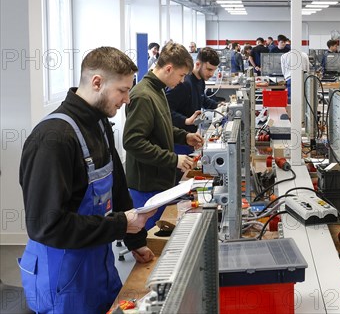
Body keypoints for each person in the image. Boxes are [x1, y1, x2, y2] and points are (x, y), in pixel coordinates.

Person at [19, 47, 156, 313]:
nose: (128, 99)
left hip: (98, 268)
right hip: (62, 280)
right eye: (123, 90)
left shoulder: (100, 124)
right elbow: (46, 226)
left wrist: (135, 240)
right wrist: (119, 225)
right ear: (97, 82)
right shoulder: (52, 139)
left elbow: (117, 187)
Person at [124, 42, 204, 230]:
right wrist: (173, 159)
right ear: (169, 69)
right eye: (181, 75)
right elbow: (133, 142)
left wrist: (185, 137)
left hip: (159, 180)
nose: (183, 81)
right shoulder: (143, 96)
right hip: (147, 184)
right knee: (150, 242)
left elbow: (161, 127)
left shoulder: (158, 90)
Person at [166, 46, 220, 136]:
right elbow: (165, 110)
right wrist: (185, 121)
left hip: (191, 135)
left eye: (214, 70)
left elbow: (201, 97)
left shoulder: (200, 80)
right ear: (198, 64)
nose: (211, 74)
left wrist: (217, 105)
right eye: (209, 69)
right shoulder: (183, 83)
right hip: (179, 137)